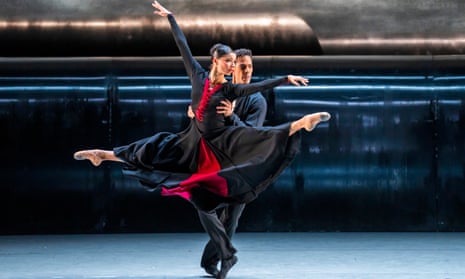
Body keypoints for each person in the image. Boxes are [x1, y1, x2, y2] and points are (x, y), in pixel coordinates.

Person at [74, 1, 330, 278]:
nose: (234, 68)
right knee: (155, 148)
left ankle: (300, 124)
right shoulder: (197, 76)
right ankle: (103, 154)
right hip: (196, 144)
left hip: (228, 150)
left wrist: (284, 79)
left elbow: (257, 97)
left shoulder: (238, 93)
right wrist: (171, 18)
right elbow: (182, 45)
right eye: (230, 62)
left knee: (258, 142)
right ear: (215, 62)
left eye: (238, 64)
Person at [193, 48, 268, 277]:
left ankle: (212, 261)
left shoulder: (257, 100)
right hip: (214, 164)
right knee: (203, 205)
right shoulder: (219, 91)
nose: (247, 71)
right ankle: (221, 256)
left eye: (250, 67)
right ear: (232, 67)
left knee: (231, 221)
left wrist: (231, 116)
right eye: (242, 66)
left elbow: (250, 136)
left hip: (241, 169)